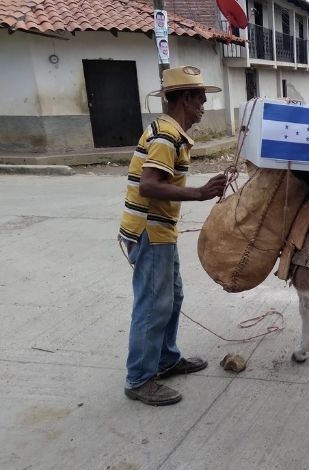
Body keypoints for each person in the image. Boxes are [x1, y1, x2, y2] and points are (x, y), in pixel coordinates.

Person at [119, 66, 227, 405]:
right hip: (149, 231)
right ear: (184, 99)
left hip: (160, 231)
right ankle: (139, 378)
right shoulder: (166, 135)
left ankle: (165, 359)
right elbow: (149, 185)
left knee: (172, 298)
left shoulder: (170, 132)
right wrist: (199, 193)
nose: (203, 108)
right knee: (153, 304)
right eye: (200, 100)